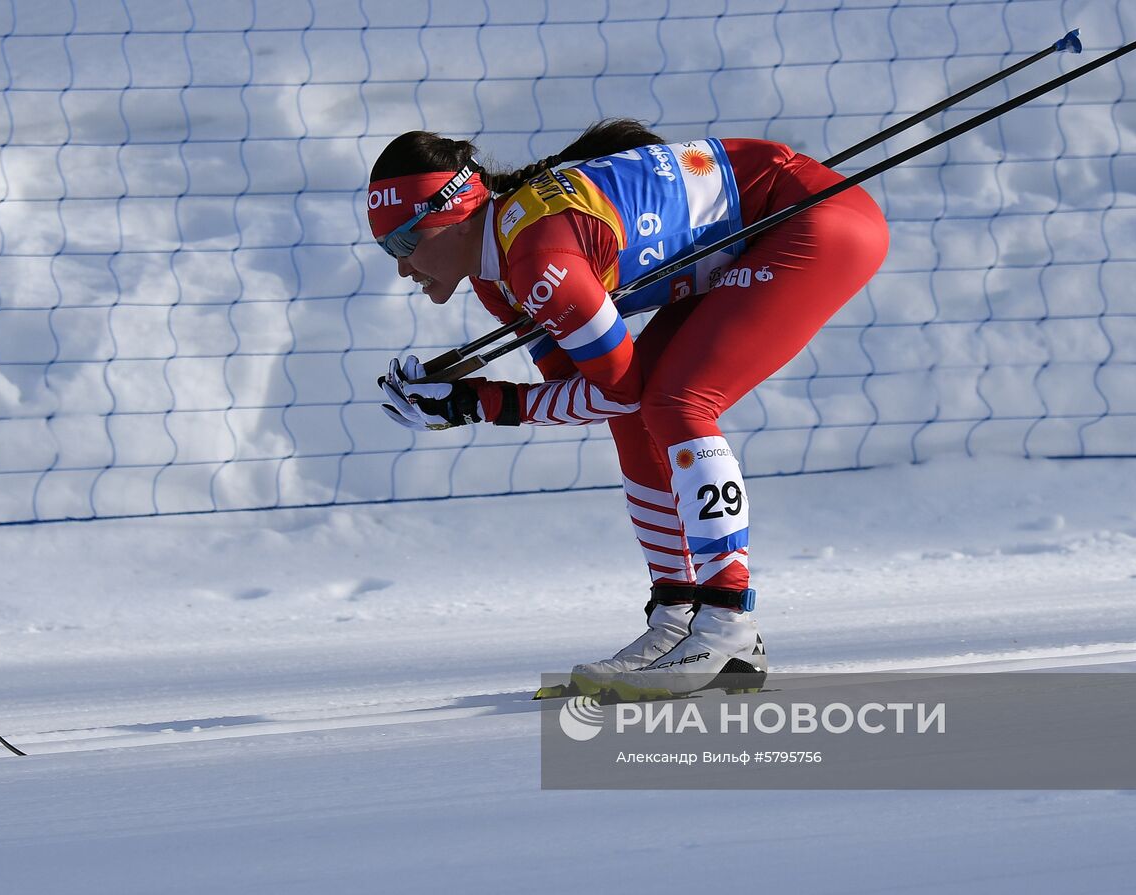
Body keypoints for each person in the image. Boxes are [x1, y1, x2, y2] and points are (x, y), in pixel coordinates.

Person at [365, 119, 889, 698]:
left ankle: (727, 624)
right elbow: (593, 396)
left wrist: (477, 403)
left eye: (404, 242)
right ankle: (676, 620)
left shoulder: (538, 259)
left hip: (813, 218)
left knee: (678, 402)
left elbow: (611, 390)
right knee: (642, 411)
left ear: (454, 212)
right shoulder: (500, 278)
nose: (401, 266)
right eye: (388, 249)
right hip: (757, 224)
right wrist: (472, 401)